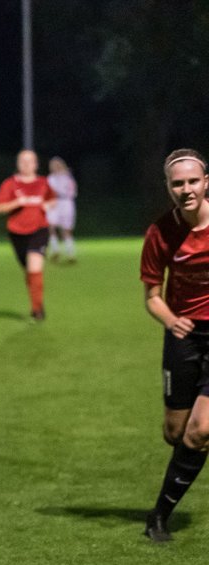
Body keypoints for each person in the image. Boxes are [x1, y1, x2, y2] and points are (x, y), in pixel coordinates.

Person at [139, 149, 209, 542]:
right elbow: (152, 294)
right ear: (169, 188)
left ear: (206, 183)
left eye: (193, 181)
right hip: (182, 334)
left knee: (200, 432)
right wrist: (171, 320)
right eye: (178, 183)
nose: (186, 189)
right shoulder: (160, 232)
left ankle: (159, 517)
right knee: (176, 432)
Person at [0, 149, 57, 321]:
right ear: (18, 164)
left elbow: (53, 199)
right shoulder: (9, 184)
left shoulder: (43, 183)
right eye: (23, 161)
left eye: (30, 161)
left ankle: (37, 310)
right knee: (29, 272)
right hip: (16, 233)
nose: (26, 164)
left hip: (39, 230)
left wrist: (48, 205)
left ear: (36, 164)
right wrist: (17, 202)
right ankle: (37, 302)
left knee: (34, 268)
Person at [46, 156, 78, 263]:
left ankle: (70, 253)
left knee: (66, 229)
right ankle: (55, 250)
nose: (55, 167)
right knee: (51, 225)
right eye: (53, 165)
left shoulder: (67, 177)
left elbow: (73, 191)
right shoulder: (50, 178)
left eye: (57, 165)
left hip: (66, 202)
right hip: (54, 203)